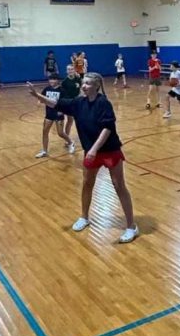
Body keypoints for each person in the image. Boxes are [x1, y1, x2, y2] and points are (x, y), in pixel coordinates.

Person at [28, 72, 138, 244]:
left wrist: (94, 149)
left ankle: (131, 226)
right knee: (87, 183)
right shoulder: (78, 103)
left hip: (109, 150)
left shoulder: (103, 103)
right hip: (91, 151)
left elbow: (107, 128)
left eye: (88, 83)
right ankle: (84, 217)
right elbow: (56, 103)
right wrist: (37, 95)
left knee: (119, 186)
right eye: (83, 83)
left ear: (96, 86)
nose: (84, 86)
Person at [34, 73, 75, 158]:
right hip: (49, 114)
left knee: (60, 133)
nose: (51, 81)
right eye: (50, 79)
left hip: (58, 114)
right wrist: (39, 101)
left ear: (57, 80)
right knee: (45, 131)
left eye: (53, 79)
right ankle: (44, 151)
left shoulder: (62, 90)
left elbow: (65, 103)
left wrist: (62, 111)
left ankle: (71, 142)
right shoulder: (47, 89)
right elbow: (41, 97)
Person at [60, 64, 82, 140]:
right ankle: (67, 138)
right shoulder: (64, 82)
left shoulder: (78, 79)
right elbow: (62, 94)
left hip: (77, 102)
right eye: (68, 69)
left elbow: (80, 89)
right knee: (70, 120)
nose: (70, 71)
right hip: (69, 103)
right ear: (66, 71)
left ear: (74, 70)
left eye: (72, 69)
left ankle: (83, 136)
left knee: (80, 120)